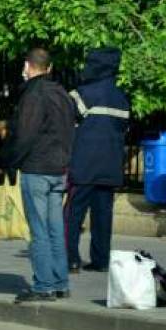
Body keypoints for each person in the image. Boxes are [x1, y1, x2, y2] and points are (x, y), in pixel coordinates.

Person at [3, 49, 76, 303]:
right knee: (56, 228)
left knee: (39, 230)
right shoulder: (62, 94)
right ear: (50, 67)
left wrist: (11, 162)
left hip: (37, 168)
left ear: (27, 66)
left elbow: (25, 134)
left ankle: (44, 285)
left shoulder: (33, 94)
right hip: (59, 168)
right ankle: (60, 282)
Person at [66, 47, 131, 273]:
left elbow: (67, 123)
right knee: (103, 216)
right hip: (110, 166)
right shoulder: (122, 97)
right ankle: (101, 260)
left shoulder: (82, 94)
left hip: (84, 165)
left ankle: (71, 259)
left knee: (73, 214)